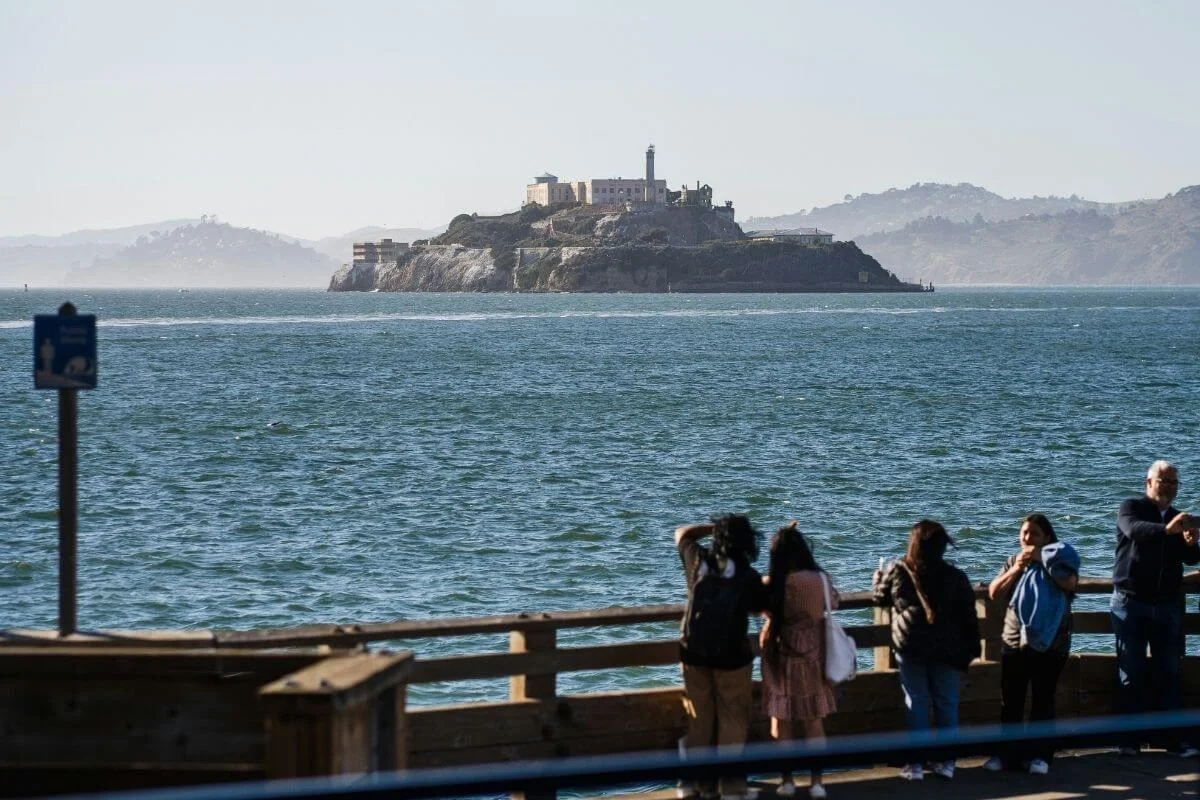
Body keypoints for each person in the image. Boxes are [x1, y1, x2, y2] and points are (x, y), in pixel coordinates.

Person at [872, 519, 980, 781]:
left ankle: (916, 764)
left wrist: (877, 580)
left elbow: (881, 598)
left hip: (912, 648)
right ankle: (946, 763)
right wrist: (970, 649)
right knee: (946, 702)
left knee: (916, 701)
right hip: (947, 649)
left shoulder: (900, 572)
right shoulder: (956, 577)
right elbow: (968, 615)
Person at [676, 514, 769, 800]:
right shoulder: (747, 574)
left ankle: (692, 784)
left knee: (699, 718)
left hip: (694, 653)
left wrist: (712, 528)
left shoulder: (698, 562)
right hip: (732, 657)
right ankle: (731, 788)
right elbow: (760, 607)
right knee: (732, 719)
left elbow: (681, 533)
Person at [1111, 460, 1200, 756]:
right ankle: (1128, 740)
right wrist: (1167, 529)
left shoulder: (1178, 518)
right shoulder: (1131, 507)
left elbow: (1189, 561)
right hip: (1130, 602)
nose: (1169, 487)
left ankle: (1170, 739)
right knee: (1130, 671)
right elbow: (1136, 532)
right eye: (1164, 480)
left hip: (1167, 605)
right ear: (1149, 481)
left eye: (1174, 482)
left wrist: (1190, 543)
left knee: (1169, 671)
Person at [983, 514, 1079, 775]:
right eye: (1024, 533)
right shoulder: (1014, 561)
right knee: (1011, 700)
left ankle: (1041, 755)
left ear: (1047, 537)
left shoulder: (1059, 559)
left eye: (1034, 534)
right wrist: (1017, 570)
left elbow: (1071, 584)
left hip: (1051, 641)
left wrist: (1043, 562)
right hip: (1015, 639)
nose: (1027, 538)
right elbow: (993, 592)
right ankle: (1008, 755)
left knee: (1042, 699)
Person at [760, 522, 836, 799]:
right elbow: (833, 604)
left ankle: (787, 780)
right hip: (813, 654)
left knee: (781, 720)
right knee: (813, 720)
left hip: (780, 655)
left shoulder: (772, 583)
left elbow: (761, 608)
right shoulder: (820, 579)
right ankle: (817, 782)